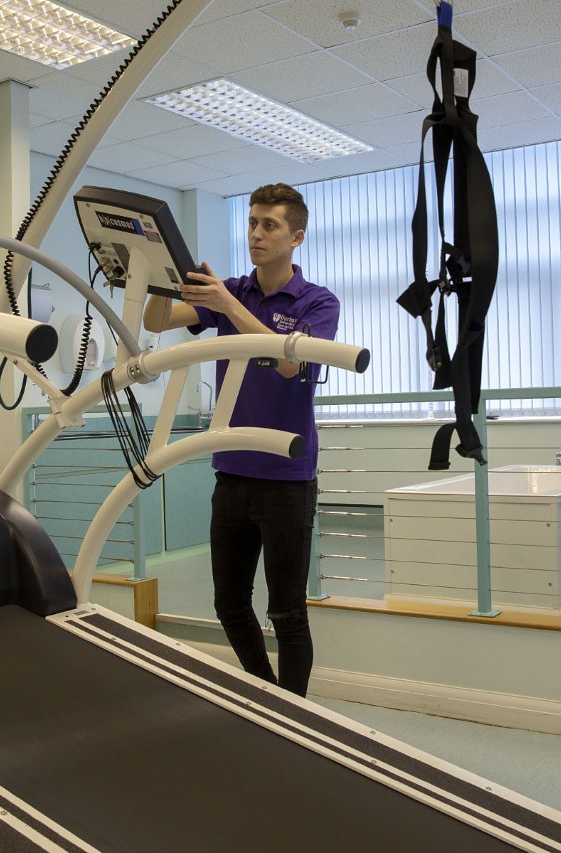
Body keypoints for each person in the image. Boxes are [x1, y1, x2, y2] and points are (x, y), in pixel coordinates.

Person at [143, 183, 340, 697]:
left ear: (296, 237)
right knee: (229, 604)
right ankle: (265, 695)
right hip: (230, 473)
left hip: (287, 480)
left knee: (287, 612)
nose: (256, 233)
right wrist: (155, 275)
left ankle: (297, 715)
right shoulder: (232, 290)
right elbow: (158, 321)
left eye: (269, 225)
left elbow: (288, 360)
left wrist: (227, 303)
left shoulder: (318, 302)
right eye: (252, 223)